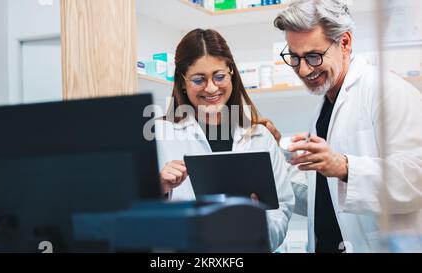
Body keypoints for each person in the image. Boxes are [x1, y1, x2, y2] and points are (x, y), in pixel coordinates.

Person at [273, 0, 422, 252]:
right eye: (294, 57)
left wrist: (344, 167)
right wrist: (273, 165)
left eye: (313, 56)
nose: (304, 69)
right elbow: (322, 197)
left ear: (344, 42)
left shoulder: (388, 92)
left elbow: (414, 177)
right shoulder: (324, 105)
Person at [154, 28, 295, 252]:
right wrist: (159, 187)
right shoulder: (159, 135)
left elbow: (283, 208)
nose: (211, 88)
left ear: (231, 73)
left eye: (219, 76)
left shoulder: (260, 136)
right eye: (199, 79)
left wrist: (256, 221)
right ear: (182, 82)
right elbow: (132, 217)